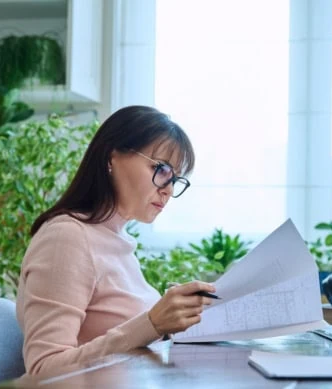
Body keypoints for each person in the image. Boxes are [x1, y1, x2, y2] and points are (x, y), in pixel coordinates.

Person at [16, 105, 216, 375]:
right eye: (161, 169)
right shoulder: (67, 237)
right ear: (112, 157)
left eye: (175, 179)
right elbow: (43, 370)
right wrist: (152, 323)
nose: (168, 189)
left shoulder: (118, 241)